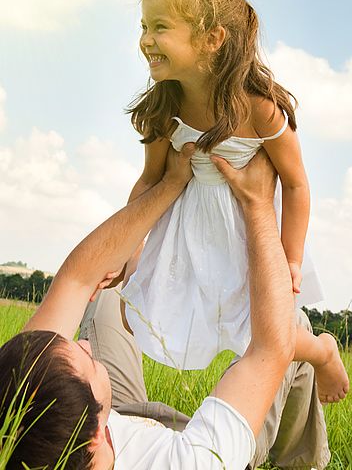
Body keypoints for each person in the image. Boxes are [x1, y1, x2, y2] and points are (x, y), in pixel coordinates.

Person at [0, 146, 330, 469]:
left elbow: (77, 280)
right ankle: (304, 461)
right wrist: (257, 203)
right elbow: (269, 348)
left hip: (122, 418)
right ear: (94, 438)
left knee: (110, 295)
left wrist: (168, 184)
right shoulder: (196, 462)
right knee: (292, 325)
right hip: (202, 443)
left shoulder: (23, 415)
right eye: (88, 361)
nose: (85, 344)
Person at [121, 0, 349, 403]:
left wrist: (292, 258)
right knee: (139, 312)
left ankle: (321, 350)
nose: (146, 38)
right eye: (144, 25)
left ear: (212, 38)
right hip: (187, 232)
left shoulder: (258, 107)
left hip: (248, 234)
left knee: (265, 331)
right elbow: (149, 182)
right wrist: (129, 252)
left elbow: (297, 183)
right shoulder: (164, 106)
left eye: (160, 27)